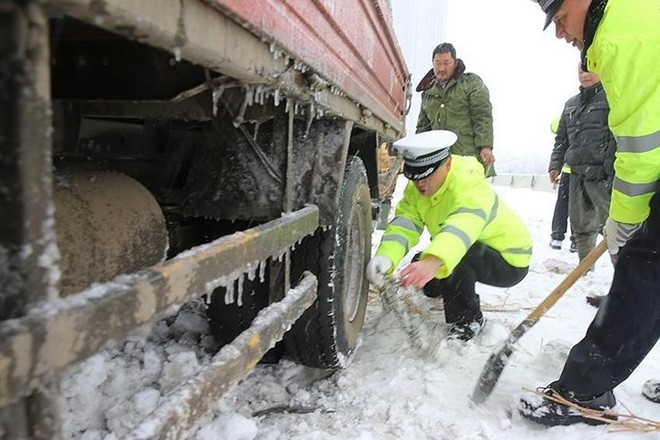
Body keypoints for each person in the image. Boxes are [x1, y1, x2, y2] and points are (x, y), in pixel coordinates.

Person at [519, 0, 660, 426]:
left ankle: (586, 391)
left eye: (560, 19)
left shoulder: (621, 37)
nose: (561, 33)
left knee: (644, 267)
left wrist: (625, 220)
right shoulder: (635, 16)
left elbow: (642, 146)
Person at [366, 130, 532, 341]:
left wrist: (434, 261)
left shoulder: (468, 183)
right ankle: (443, 282)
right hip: (469, 248)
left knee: (451, 261)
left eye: (426, 176)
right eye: (415, 178)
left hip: (509, 260)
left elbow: (464, 225)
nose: (420, 184)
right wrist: (386, 257)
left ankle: (468, 319)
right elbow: (405, 224)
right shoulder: (417, 189)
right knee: (427, 266)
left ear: (447, 164)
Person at [549, 64, 615, 264]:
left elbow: (617, 136)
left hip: (602, 176)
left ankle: (624, 279)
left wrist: (609, 167)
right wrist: (555, 164)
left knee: (614, 230)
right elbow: (561, 138)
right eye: (581, 71)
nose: (584, 75)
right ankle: (585, 271)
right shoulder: (571, 104)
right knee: (581, 227)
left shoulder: (612, 99)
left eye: (589, 70)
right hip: (577, 174)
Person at [415, 43, 496, 177]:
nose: (441, 68)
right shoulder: (428, 92)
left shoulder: (471, 83)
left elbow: (482, 116)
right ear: (432, 63)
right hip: (439, 161)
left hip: (467, 158)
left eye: (447, 63)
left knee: (467, 196)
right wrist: (418, 153)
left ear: (455, 62)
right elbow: (423, 127)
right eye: (437, 63)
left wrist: (485, 146)